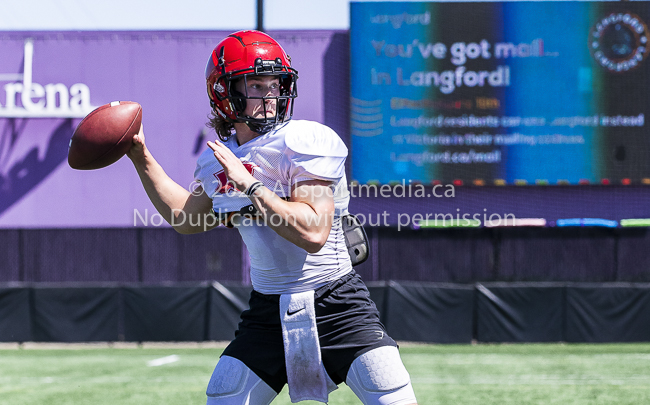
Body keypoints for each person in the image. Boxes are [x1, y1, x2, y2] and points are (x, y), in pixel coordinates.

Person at [127, 30, 418, 405]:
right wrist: (140, 156)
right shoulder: (221, 157)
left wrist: (250, 187)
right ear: (225, 92)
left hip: (338, 302)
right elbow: (187, 218)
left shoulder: (304, 140)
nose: (269, 94)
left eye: (275, 82)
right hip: (267, 311)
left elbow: (313, 233)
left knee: (389, 389)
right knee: (224, 394)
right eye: (255, 83)